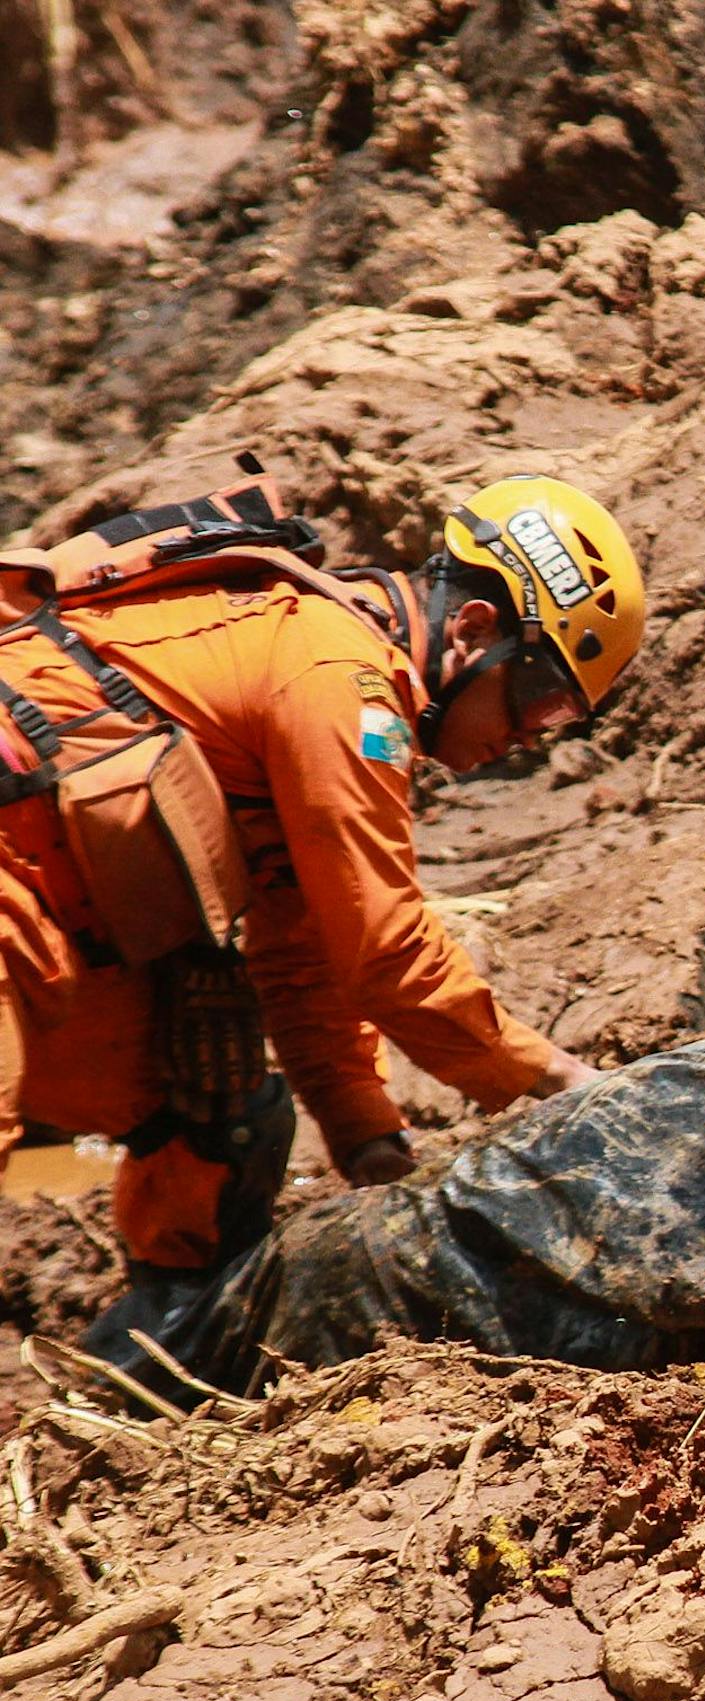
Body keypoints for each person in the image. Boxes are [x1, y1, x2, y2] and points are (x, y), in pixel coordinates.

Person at [0, 471, 645, 1345]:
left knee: (217, 1115)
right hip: (17, 898)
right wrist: (556, 1083)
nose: (532, 734)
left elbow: (302, 947)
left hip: (45, 911)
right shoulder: (345, 679)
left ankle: (148, 1377)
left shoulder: (336, 668)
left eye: (563, 716)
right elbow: (387, 951)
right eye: (541, 697)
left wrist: (365, 1136)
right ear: (475, 629)